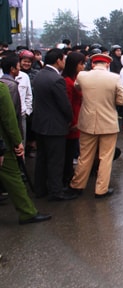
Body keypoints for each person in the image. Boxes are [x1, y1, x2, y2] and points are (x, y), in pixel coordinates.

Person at [67, 53, 123, 198]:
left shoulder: (82, 76)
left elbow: (77, 88)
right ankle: (101, 189)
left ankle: (77, 185)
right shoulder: (115, 78)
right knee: (105, 157)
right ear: (107, 64)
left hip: (87, 122)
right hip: (108, 123)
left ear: (93, 64)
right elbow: (121, 101)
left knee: (85, 156)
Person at [0, 83, 52, 224]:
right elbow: (9, 119)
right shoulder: (2, 89)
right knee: (13, 178)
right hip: (3, 143)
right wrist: (18, 142)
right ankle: (27, 212)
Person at [32, 48, 76, 201]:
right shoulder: (56, 79)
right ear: (58, 60)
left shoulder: (39, 75)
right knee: (56, 160)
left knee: (42, 158)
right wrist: (70, 119)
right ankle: (56, 191)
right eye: (63, 59)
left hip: (40, 124)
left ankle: (40, 189)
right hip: (55, 126)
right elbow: (64, 105)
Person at [62, 51, 85, 186]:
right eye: (81, 64)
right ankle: (67, 178)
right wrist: (72, 122)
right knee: (68, 152)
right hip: (73, 120)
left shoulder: (76, 79)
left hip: (77, 117)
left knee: (72, 150)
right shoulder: (68, 81)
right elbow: (68, 104)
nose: (83, 67)